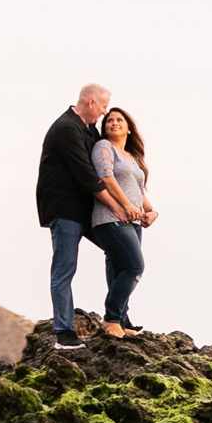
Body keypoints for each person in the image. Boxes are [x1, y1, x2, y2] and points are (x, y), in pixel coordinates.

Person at [34, 83, 110, 348]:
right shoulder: (66, 128)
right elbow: (87, 175)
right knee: (64, 268)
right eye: (103, 107)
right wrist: (119, 207)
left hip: (86, 209)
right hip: (64, 208)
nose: (104, 112)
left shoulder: (89, 130)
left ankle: (115, 319)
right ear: (90, 102)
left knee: (120, 250)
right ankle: (63, 333)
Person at [87, 105, 157, 337]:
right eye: (109, 121)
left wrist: (152, 212)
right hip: (111, 217)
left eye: (119, 120)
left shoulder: (132, 157)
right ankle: (111, 319)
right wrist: (126, 205)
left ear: (128, 129)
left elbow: (139, 191)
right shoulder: (104, 147)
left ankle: (123, 321)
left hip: (134, 222)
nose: (114, 123)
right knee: (134, 266)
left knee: (119, 269)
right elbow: (106, 178)